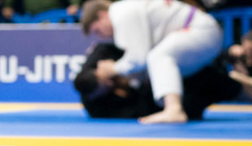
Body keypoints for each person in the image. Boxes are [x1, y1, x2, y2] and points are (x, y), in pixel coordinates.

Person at [81, 0, 225, 124]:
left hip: (200, 30)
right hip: (202, 31)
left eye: (97, 31)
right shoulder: (126, 9)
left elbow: (139, 59)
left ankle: (174, 109)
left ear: (101, 15)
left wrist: (113, 68)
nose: (102, 36)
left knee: (158, 56)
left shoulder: (121, 14)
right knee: (158, 68)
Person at [74, 40, 240, 120]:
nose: (111, 82)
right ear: (94, 96)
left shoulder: (101, 55)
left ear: (97, 70)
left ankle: (234, 74)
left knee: (209, 76)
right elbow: (138, 112)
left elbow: (126, 44)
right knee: (196, 97)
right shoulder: (96, 108)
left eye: (107, 79)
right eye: (107, 86)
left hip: (156, 62)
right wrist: (133, 88)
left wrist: (121, 67)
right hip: (152, 96)